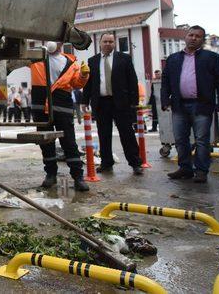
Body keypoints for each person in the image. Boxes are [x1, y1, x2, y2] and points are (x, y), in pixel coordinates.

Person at [162, 25, 219, 183]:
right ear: (185, 37)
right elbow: (165, 82)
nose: (193, 38)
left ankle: (201, 171)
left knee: (201, 140)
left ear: (202, 40)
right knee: (180, 139)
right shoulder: (173, 59)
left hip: (202, 106)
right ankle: (185, 168)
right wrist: (165, 100)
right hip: (179, 106)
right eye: (191, 35)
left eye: (197, 36)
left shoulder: (212, 58)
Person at [31, 41, 90, 191]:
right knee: (46, 143)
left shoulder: (71, 62)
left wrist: (83, 75)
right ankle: (51, 175)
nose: (53, 43)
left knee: (69, 142)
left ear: (61, 43)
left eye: (57, 40)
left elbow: (77, 84)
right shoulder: (36, 58)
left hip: (62, 106)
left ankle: (78, 177)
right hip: (40, 107)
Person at [81, 33, 144, 175]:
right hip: (101, 103)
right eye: (105, 41)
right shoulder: (93, 61)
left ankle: (135, 163)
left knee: (127, 133)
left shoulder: (124, 59)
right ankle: (106, 163)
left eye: (111, 41)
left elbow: (132, 81)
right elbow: (89, 83)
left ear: (114, 43)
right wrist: (85, 100)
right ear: (100, 43)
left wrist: (134, 102)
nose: (108, 44)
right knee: (104, 134)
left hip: (121, 103)